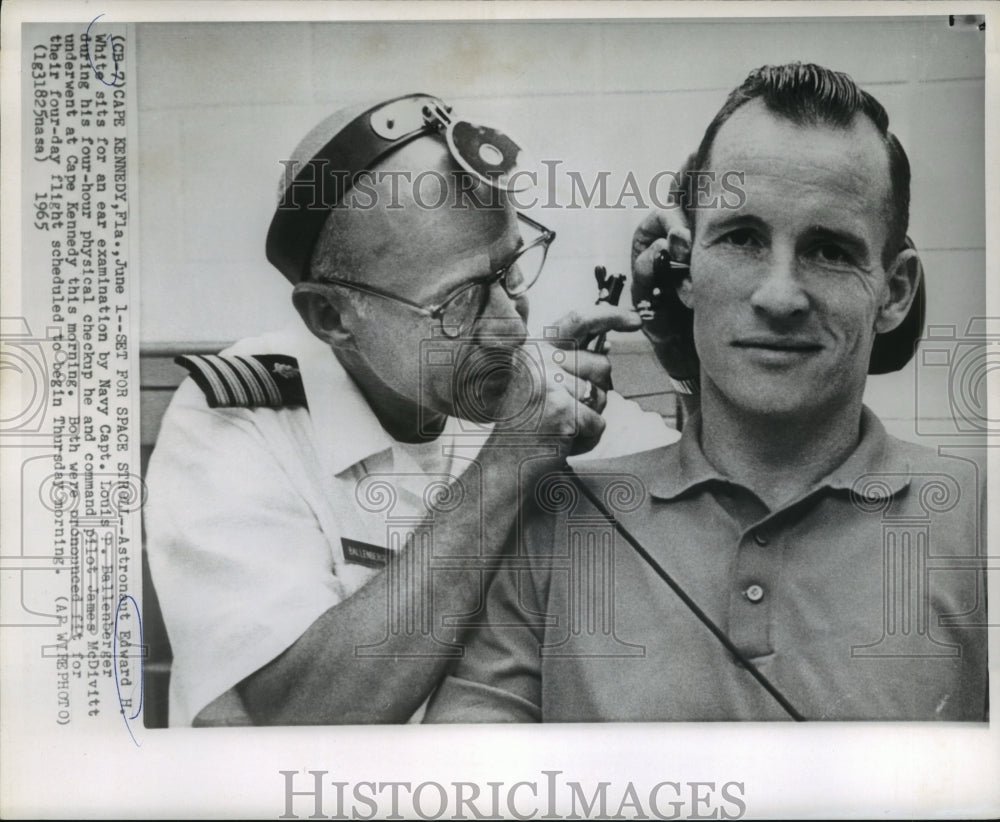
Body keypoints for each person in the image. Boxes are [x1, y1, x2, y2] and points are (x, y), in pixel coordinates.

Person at [424, 63, 988, 722]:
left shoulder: (980, 521)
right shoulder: (554, 519)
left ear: (893, 292)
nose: (780, 296)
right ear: (685, 270)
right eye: (743, 239)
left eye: (830, 250)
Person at [144, 94, 676, 726]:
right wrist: (509, 462)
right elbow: (296, 718)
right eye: (457, 304)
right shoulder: (233, 421)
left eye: (509, 271)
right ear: (331, 318)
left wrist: (682, 341)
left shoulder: (505, 382)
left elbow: (690, 472)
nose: (508, 328)